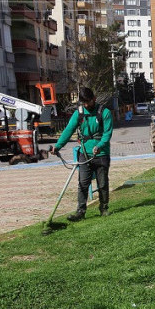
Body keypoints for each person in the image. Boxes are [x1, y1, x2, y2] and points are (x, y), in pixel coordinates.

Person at [50, 87, 113, 221]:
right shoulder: (78, 113)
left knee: (102, 183)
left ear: (94, 99)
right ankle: (80, 212)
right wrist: (58, 146)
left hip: (101, 154)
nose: (85, 105)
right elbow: (68, 130)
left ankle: (104, 208)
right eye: (83, 103)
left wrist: (100, 145)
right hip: (84, 153)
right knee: (83, 183)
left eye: (88, 102)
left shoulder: (104, 112)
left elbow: (107, 134)